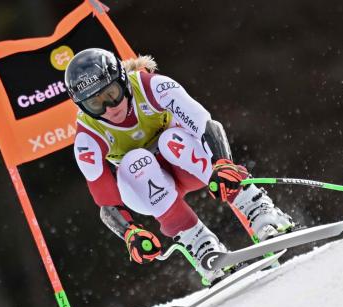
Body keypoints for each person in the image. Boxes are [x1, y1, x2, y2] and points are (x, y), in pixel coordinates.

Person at [65, 48, 294, 285]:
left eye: (111, 94)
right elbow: (106, 202)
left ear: (122, 80)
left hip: (188, 165)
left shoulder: (152, 87)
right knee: (135, 161)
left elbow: (205, 125)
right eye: (95, 104)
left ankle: (258, 208)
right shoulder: (87, 137)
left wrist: (222, 162)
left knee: (171, 140)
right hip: (147, 188)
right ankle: (202, 246)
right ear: (82, 106)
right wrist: (130, 232)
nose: (110, 108)